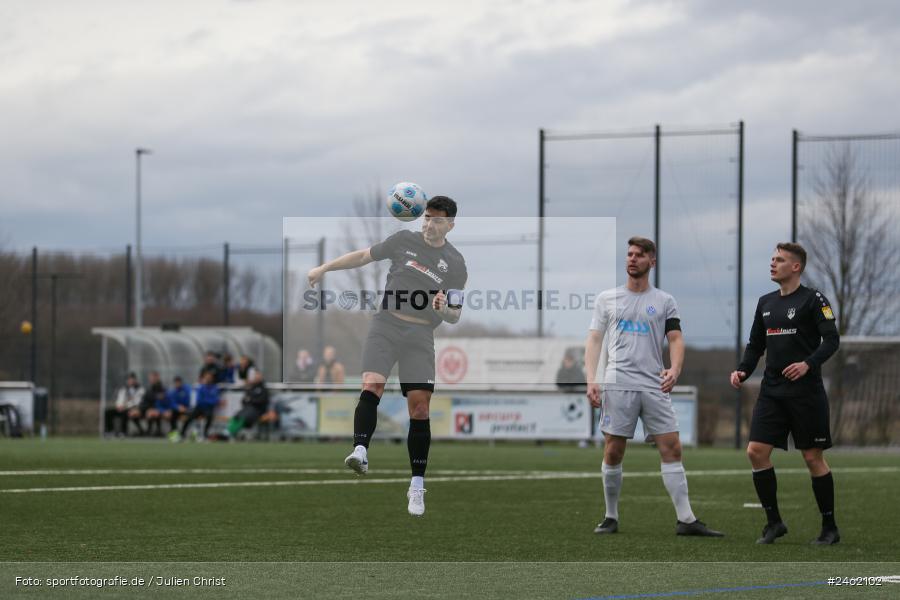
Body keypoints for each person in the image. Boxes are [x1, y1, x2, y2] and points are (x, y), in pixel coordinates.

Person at [307, 196, 467, 516]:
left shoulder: (455, 263)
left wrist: (443, 309)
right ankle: (360, 450)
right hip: (386, 325)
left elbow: (455, 314)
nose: (429, 224)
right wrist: (325, 268)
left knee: (419, 408)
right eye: (426, 218)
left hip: (420, 335)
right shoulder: (403, 240)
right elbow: (362, 256)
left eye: (437, 220)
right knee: (372, 383)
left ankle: (416, 485)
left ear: (450, 225)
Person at [585, 236, 723, 537]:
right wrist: (592, 379)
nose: (632, 259)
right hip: (618, 383)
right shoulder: (607, 299)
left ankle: (686, 519)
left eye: (639, 255)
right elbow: (594, 339)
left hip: (653, 384)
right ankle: (610, 516)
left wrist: (675, 369)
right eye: (629, 254)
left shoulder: (664, 301)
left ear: (652, 261)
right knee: (614, 450)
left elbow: (675, 338)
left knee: (672, 446)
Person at [730, 242, 841, 545]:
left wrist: (808, 364)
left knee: (812, 457)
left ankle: (829, 528)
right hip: (772, 391)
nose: (772, 263)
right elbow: (756, 345)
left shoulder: (814, 299)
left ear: (796, 266)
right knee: (755, 451)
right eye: (772, 259)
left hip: (806, 393)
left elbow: (832, 340)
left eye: (779, 260)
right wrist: (742, 370)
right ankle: (774, 523)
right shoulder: (765, 302)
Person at [175, 371, 221, 441]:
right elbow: (199, 400)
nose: (208, 379)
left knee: (209, 417)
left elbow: (215, 400)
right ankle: (182, 434)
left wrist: (208, 400)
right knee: (189, 417)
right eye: (206, 378)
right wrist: (209, 400)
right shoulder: (201, 387)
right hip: (199, 407)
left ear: (212, 379)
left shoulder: (214, 388)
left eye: (209, 378)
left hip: (208, 408)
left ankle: (205, 435)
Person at [225, 370, 270, 439]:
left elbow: (262, 400)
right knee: (236, 416)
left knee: (243, 417)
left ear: (261, 377)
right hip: (247, 409)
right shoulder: (251, 388)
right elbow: (244, 400)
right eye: (255, 376)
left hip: (257, 410)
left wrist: (251, 400)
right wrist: (249, 400)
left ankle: (233, 432)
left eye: (258, 376)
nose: (256, 378)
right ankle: (228, 431)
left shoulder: (263, 389)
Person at [104, 372, 143, 437]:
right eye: (129, 379)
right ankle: (110, 431)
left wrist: (126, 406)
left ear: (135, 380)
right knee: (107, 412)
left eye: (132, 379)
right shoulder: (123, 389)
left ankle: (123, 432)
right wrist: (119, 406)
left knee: (125, 413)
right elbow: (119, 399)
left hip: (132, 409)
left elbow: (137, 401)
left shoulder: (140, 389)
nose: (131, 381)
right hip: (121, 408)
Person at [131, 371, 166, 436]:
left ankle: (154, 431)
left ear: (157, 378)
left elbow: (159, 401)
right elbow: (145, 400)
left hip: (156, 409)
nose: (150, 379)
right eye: (150, 378)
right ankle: (141, 431)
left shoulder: (161, 388)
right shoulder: (149, 388)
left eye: (152, 378)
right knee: (133, 414)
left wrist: (152, 409)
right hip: (145, 408)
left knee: (151, 413)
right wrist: (138, 409)